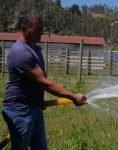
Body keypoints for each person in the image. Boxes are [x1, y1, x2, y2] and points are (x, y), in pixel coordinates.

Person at [1, 10, 87, 150]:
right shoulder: (21, 52)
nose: (41, 32)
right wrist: (72, 96)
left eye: (42, 28)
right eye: (37, 29)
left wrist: (38, 101)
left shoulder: (35, 47)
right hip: (20, 111)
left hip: (34, 107)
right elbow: (45, 83)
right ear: (23, 28)